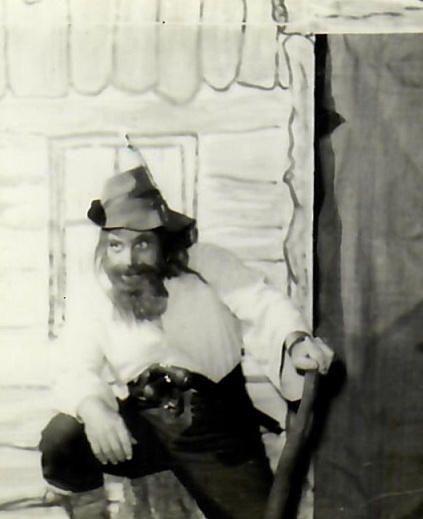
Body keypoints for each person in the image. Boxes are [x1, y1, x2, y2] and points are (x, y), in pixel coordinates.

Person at [39, 147, 334, 519]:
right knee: (63, 437)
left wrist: (295, 341)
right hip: (145, 427)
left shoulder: (207, 263)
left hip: (215, 431)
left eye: (141, 243)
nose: (128, 260)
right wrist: (93, 408)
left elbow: (261, 303)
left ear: (163, 241)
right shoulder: (97, 290)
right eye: (116, 245)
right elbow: (73, 362)